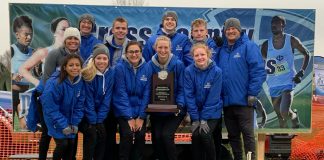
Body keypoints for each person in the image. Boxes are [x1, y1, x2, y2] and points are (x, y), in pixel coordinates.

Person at [216, 18, 266, 160]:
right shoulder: (222, 51)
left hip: (245, 101)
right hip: (227, 103)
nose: (231, 31)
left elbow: (258, 71)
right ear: (224, 31)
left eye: (234, 29)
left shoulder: (249, 46)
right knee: (233, 136)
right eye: (228, 29)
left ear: (239, 30)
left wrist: (252, 93)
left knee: (248, 135)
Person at [261, 15, 310, 128]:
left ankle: (293, 117)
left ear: (283, 25)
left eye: (277, 22)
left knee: (283, 112)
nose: (273, 25)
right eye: (272, 23)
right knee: (281, 117)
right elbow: (264, 62)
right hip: (273, 84)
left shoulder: (291, 40)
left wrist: (301, 71)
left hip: (288, 82)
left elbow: (307, 53)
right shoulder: (266, 45)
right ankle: (291, 122)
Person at [148, 35, 186, 160]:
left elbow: (182, 87)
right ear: (155, 48)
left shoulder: (178, 64)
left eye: (166, 47)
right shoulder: (149, 65)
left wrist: (179, 105)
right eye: (160, 47)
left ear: (171, 48)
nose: (163, 50)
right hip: (157, 110)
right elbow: (147, 88)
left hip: (174, 109)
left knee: (166, 135)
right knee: (157, 138)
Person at [189, 18, 222, 159]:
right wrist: (196, 118)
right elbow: (189, 95)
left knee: (206, 135)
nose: (200, 57)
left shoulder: (216, 71)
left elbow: (213, 98)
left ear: (208, 54)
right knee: (195, 136)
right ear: (193, 57)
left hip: (212, 111)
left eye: (202, 54)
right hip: (197, 112)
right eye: (197, 55)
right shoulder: (188, 71)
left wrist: (203, 119)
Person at [41, 54, 84, 160]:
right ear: (64, 67)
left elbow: (79, 105)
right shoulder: (54, 83)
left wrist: (74, 123)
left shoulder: (79, 82)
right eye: (71, 65)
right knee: (63, 144)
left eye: (77, 65)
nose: (75, 68)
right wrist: (64, 125)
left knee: (71, 144)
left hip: (69, 119)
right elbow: (51, 108)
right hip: (53, 118)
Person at [113, 41, 151, 160]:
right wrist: (129, 118)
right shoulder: (119, 68)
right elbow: (121, 94)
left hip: (140, 111)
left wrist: (141, 117)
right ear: (126, 53)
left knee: (140, 135)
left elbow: (147, 94)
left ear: (141, 53)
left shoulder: (148, 67)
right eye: (131, 52)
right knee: (127, 134)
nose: (134, 54)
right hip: (124, 111)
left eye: (136, 51)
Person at [80, 44, 114, 160]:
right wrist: (93, 121)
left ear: (108, 60)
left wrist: (99, 120)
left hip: (99, 115)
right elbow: (88, 100)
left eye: (104, 58)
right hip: (86, 115)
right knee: (92, 135)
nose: (101, 61)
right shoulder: (87, 74)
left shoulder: (111, 74)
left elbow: (107, 99)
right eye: (98, 58)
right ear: (93, 59)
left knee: (103, 135)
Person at [103, 16, 129, 160]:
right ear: (112, 29)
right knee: (108, 134)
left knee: (127, 134)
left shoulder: (133, 48)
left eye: (123, 28)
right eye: (117, 28)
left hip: (125, 98)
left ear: (127, 30)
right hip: (107, 97)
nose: (120, 31)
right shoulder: (103, 47)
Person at [19, 17, 70, 87]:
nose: (67, 32)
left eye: (69, 30)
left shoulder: (72, 53)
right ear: (54, 33)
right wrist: (37, 83)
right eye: (63, 29)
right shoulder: (44, 52)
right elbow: (22, 69)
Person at [10, 15, 34, 129]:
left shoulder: (33, 52)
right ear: (17, 34)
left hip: (26, 95)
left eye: (31, 34)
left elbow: (38, 74)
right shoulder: (11, 50)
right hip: (12, 95)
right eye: (26, 34)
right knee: (9, 126)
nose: (29, 37)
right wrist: (12, 76)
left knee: (25, 126)